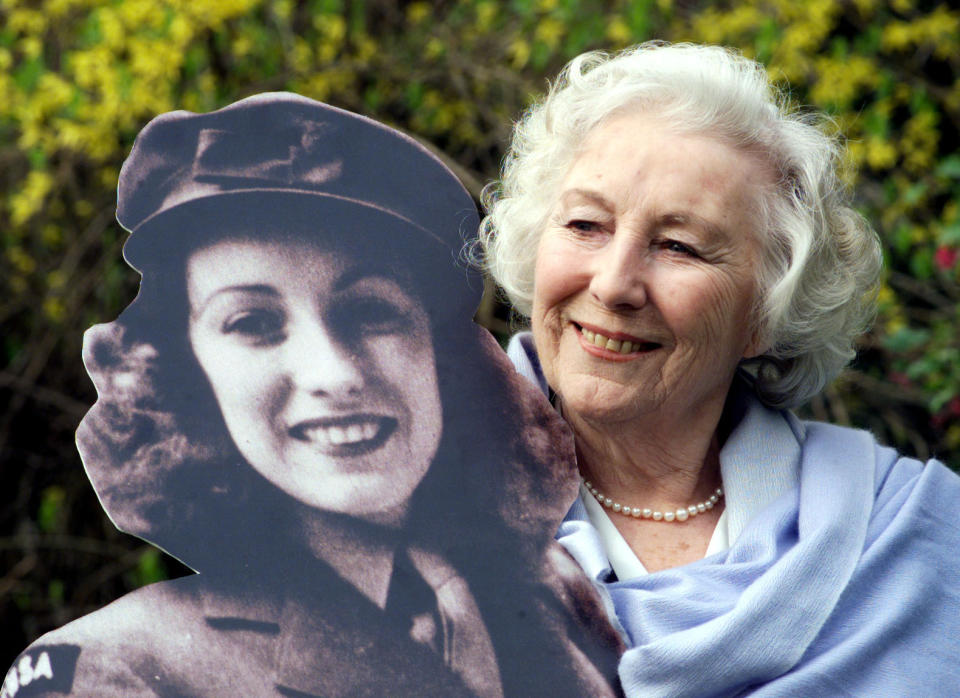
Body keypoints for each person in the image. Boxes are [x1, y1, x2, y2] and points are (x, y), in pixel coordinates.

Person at [3, 93, 623, 697]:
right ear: (188, 375)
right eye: (251, 324)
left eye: (371, 311)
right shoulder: (116, 671)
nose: (333, 372)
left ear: (438, 353)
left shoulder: (560, 593)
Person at [478, 42, 960, 696]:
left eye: (678, 246)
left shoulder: (914, 538)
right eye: (586, 224)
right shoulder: (406, 497)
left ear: (765, 313)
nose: (615, 283)